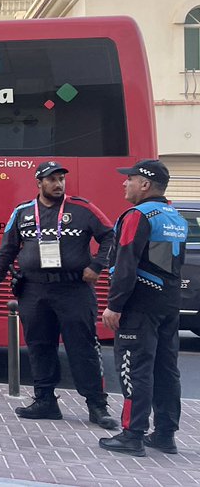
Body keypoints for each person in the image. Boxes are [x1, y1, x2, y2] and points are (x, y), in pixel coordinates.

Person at [0, 160, 117, 429]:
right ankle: (45, 401)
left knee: (83, 347)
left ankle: (97, 406)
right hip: (34, 289)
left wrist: (97, 265)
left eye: (61, 179)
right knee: (40, 346)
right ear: (38, 182)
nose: (58, 184)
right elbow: (6, 250)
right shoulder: (22, 212)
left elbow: (111, 236)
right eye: (52, 179)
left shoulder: (83, 208)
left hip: (74, 289)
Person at [98, 159, 187, 457]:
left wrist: (114, 305)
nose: (125, 183)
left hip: (139, 306)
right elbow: (169, 264)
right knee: (166, 369)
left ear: (145, 184)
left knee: (135, 369)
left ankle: (132, 435)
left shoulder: (138, 215)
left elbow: (126, 263)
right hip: (168, 304)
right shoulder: (174, 216)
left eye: (130, 179)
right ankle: (164, 434)